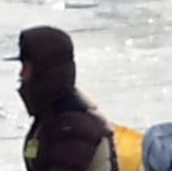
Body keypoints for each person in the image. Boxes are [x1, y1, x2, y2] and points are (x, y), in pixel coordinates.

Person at [11, 26, 114, 171]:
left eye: (26, 67)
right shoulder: (51, 119)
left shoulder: (73, 128)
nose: (21, 75)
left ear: (45, 72)